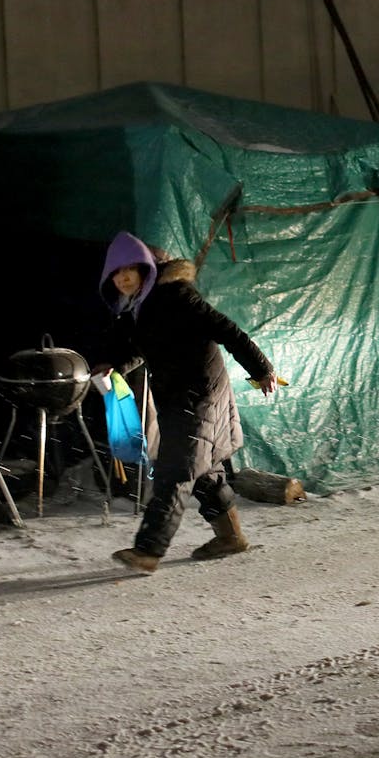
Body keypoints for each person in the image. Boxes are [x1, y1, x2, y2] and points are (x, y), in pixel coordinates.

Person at [97, 231, 277, 573]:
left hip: (201, 395)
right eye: (115, 274)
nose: (122, 279)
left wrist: (261, 369)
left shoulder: (177, 296)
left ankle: (148, 550)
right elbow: (143, 348)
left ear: (147, 270)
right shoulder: (141, 307)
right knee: (203, 471)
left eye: (129, 271)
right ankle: (231, 537)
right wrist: (115, 367)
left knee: (175, 471)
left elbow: (227, 330)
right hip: (178, 397)